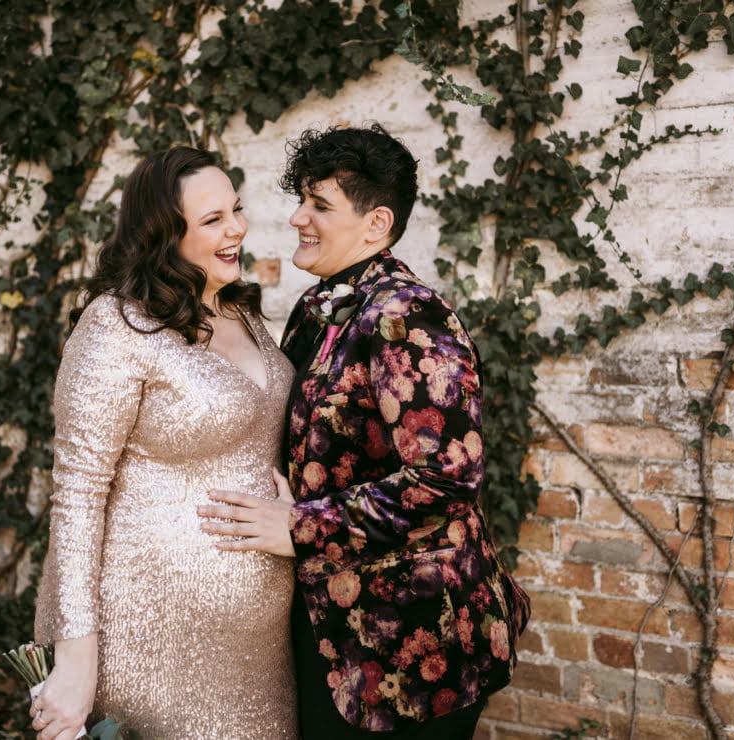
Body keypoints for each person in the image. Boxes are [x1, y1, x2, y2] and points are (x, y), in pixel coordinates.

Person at [199, 124, 531, 737]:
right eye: (302, 198)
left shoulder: (407, 315)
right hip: (334, 624)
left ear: (377, 223)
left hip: (411, 639)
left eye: (319, 205)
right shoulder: (320, 306)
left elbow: (446, 479)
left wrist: (300, 526)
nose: (298, 217)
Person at [31, 147, 298, 740]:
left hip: (258, 641)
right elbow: (77, 492)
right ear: (165, 235)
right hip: (150, 631)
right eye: (212, 220)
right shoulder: (117, 324)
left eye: (236, 209)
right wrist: (75, 656)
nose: (236, 229)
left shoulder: (239, 309)